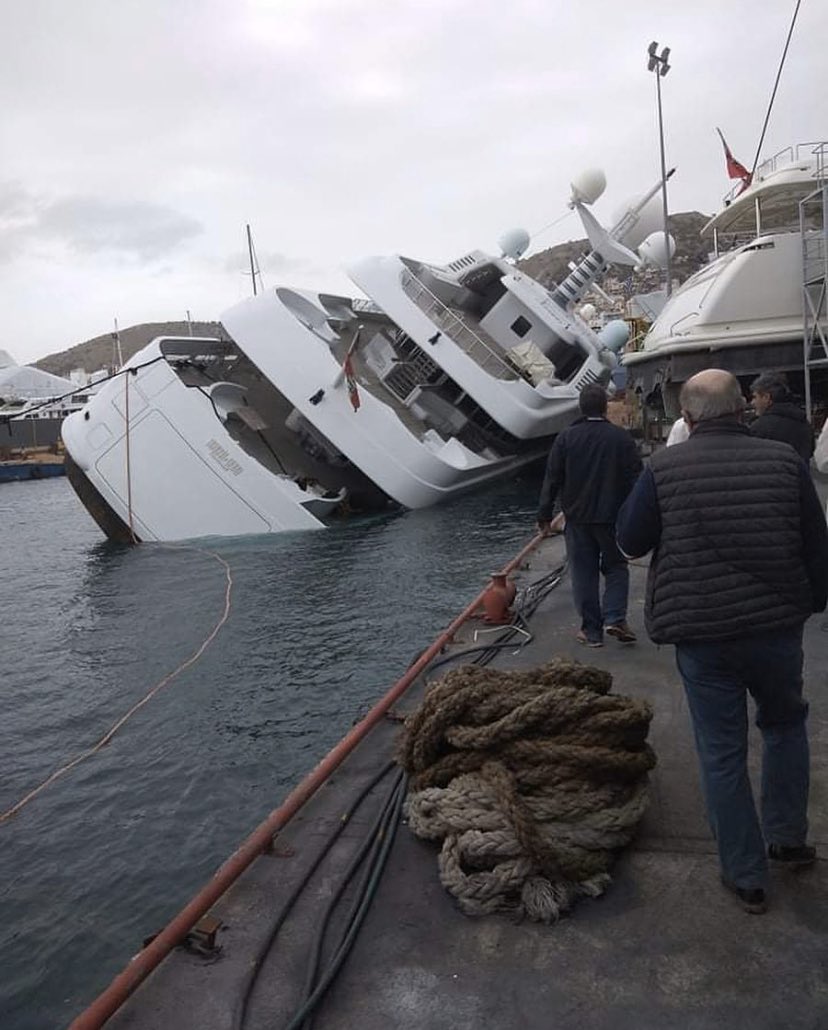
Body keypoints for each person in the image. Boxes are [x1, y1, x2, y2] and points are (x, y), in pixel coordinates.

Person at [616, 369, 828, 915]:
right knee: (785, 726)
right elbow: (816, 543)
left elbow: (630, 540)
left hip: (702, 632)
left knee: (721, 750)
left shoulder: (662, 469)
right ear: (743, 409)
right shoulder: (785, 462)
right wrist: (813, 601)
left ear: (686, 417)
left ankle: (746, 874)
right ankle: (787, 838)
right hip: (776, 627)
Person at [537, 383, 642, 647]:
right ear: (605, 407)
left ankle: (591, 631)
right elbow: (636, 478)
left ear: (581, 408)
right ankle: (615, 617)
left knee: (583, 572)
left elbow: (552, 478)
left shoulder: (566, 438)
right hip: (613, 516)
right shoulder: (621, 438)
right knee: (616, 566)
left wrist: (544, 515)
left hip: (578, 517)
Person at [749, 371, 814, 462]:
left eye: (755, 397)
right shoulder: (804, 423)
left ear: (766, 397)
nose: (752, 403)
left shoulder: (758, 428)